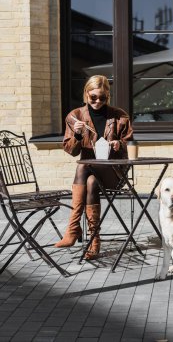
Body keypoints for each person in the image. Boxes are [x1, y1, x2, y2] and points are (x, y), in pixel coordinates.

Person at [55, 75, 133, 260]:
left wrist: (118, 145)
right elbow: (71, 151)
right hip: (92, 176)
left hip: (114, 171)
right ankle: (94, 241)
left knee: (83, 167)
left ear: (108, 96)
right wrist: (78, 135)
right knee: (90, 180)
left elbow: (129, 144)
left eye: (102, 98)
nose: (98, 101)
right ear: (86, 95)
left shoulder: (120, 116)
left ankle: (73, 228)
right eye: (93, 98)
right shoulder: (75, 117)